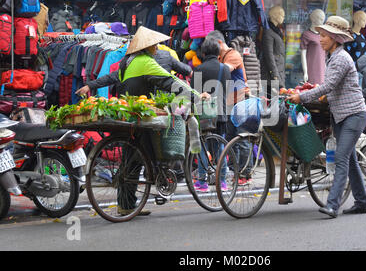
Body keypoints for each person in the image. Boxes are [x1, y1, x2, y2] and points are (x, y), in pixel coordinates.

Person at [75, 27, 209, 216]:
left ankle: (127, 205)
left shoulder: (127, 63)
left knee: (131, 161)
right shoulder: (146, 62)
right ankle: (157, 179)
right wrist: (196, 96)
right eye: (154, 45)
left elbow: (110, 78)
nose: (157, 47)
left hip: (127, 115)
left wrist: (90, 85)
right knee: (146, 154)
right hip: (142, 116)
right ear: (147, 47)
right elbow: (170, 81)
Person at [287, 16, 366, 218]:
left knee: (341, 158)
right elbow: (330, 89)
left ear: (335, 38)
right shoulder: (331, 56)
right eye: (321, 35)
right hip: (341, 116)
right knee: (349, 159)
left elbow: (327, 86)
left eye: (324, 35)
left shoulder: (341, 58)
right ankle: (362, 201)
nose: (321, 39)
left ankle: (332, 205)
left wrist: (301, 97)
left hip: (353, 115)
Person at [205, 30, 252, 185]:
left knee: (242, 138)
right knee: (231, 139)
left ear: (218, 44)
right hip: (229, 103)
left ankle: (245, 174)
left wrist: (205, 68)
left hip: (240, 101)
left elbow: (222, 70)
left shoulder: (233, 55)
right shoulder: (222, 57)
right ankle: (235, 172)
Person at [190, 38, 232, 192]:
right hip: (221, 113)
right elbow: (228, 91)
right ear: (218, 52)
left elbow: (193, 94)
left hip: (204, 115)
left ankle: (202, 181)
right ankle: (222, 182)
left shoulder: (199, 69)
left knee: (202, 145)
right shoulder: (225, 69)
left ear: (204, 53)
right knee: (220, 147)